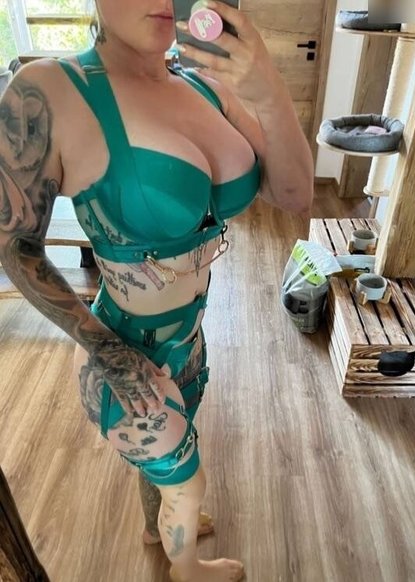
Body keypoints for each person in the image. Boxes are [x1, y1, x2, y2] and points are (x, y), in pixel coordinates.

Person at [0, 1, 313, 580]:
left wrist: (268, 90)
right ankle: (186, 568)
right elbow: (14, 247)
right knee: (188, 484)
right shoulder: (51, 90)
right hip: (121, 349)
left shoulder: (204, 86)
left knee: (171, 465)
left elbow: (294, 196)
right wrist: (113, 357)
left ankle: (156, 524)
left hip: (188, 336)